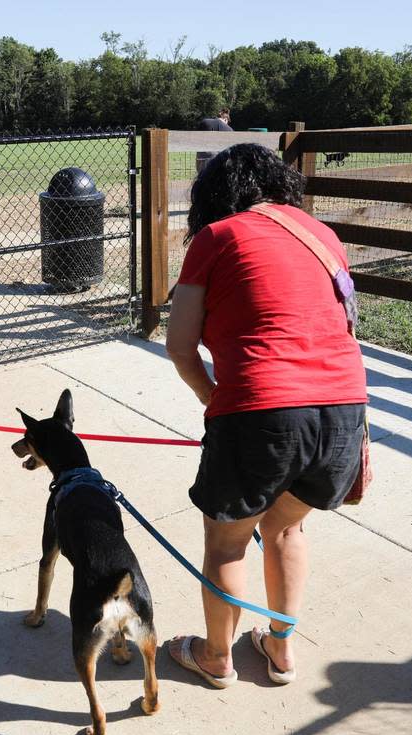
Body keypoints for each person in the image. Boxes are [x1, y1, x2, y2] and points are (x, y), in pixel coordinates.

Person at [165, 143, 367, 687]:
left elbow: (180, 347)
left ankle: (216, 658)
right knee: (285, 529)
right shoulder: (323, 236)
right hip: (345, 413)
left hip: (261, 412)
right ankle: (280, 650)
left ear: (216, 195)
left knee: (228, 542)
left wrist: (218, 403)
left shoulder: (217, 237)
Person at [196, 109, 233, 175]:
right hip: (218, 159)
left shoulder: (205, 122)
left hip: (201, 157)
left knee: (202, 180)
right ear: (225, 119)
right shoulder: (229, 129)